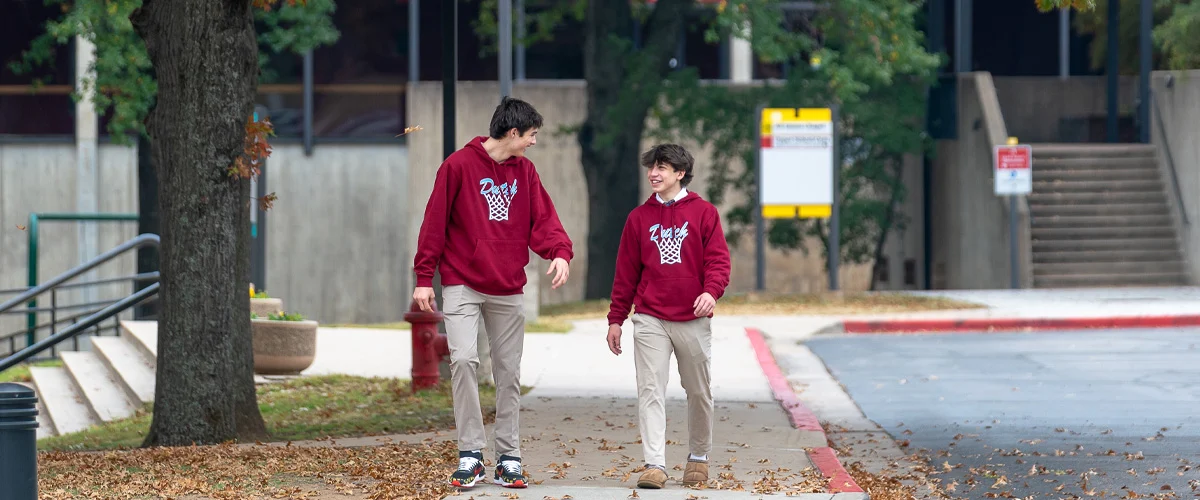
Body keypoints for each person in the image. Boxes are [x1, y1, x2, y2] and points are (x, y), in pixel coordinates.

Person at [412, 96, 574, 489]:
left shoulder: (526, 173)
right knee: (464, 360)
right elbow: (434, 222)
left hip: (506, 286)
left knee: (508, 372)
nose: (534, 142)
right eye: (532, 135)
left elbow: (544, 219)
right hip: (462, 282)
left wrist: (559, 252)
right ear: (513, 132)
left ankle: (508, 457)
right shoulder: (458, 166)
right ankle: (470, 455)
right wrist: (423, 277)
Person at [605, 144, 732, 490]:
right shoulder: (638, 218)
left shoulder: (704, 213)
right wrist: (616, 318)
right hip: (651, 317)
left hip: (692, 316)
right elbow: (625, 273)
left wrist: (711, 291)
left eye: (662, 167)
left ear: (680, 173)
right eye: (651, 167)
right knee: (650, 389)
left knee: (698, 390)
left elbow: (718, 262)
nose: (654, 173)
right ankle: (655, 464)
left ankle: (699, 457)